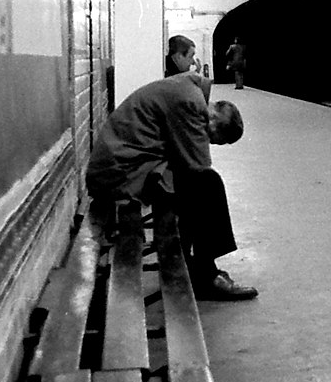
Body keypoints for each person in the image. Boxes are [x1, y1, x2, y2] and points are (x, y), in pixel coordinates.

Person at [85, 73, 258, 300]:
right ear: (214, 120)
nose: (209, 142)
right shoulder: (190, 102)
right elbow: (199, 164)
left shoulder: (187, 91)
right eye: (215, 139)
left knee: (193, 187)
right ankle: (205, 276)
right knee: (207, 184)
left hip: (126, 165)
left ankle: (193, 267)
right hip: (118, 174)